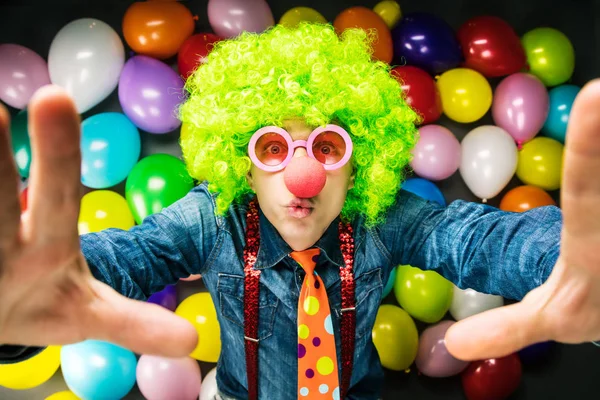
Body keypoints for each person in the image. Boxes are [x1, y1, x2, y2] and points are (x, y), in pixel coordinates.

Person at [0, 22, 599, 399]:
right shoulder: (211, 219)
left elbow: (479, 241)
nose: (301, 175)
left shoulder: (384, 218)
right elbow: (124, 257)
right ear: (241, 158)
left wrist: (563, 257)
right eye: (272, 148)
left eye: (328, 147)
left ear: (360, 159)